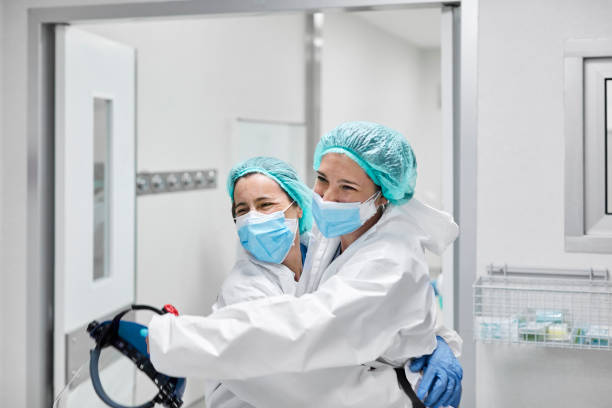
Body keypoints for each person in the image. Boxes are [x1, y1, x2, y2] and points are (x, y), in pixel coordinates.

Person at [148, 122, 463, 407]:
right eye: (322, 179)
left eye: (347, 188)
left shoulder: (391, 260)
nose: (327, 197)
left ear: (383, 195)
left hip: (388, 395)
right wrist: (434, 338)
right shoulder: (332, 237)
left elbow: (308, 326)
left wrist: (171, 340)